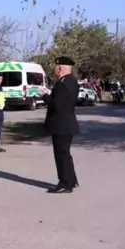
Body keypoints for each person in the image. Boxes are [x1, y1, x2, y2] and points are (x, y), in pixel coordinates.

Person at [42, 56, 80, 193]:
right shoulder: (71, 81)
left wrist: (45, 97)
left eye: (55, 66)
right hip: (66, 123)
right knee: (65, 153)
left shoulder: (63, 83)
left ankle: (65, 183)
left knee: (61, 154)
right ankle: (71, 179)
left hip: (61, 124)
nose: (54, 69)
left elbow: (57, 105)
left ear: (60, 68)